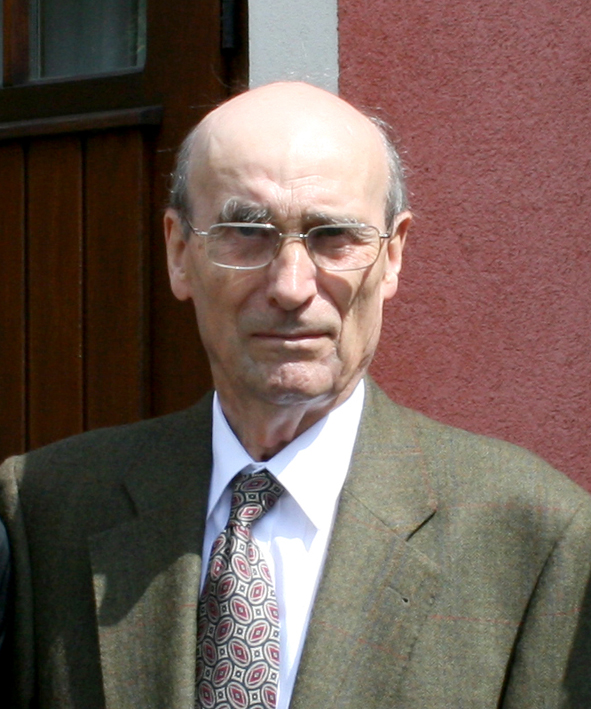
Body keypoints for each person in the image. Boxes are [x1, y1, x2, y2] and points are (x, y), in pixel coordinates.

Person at [1, 81, 591, 709]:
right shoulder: (48, 508)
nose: (290, 286)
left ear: (392, 255)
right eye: (247, 232)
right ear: (179, 252)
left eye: (334, 236)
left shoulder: (534, 536)